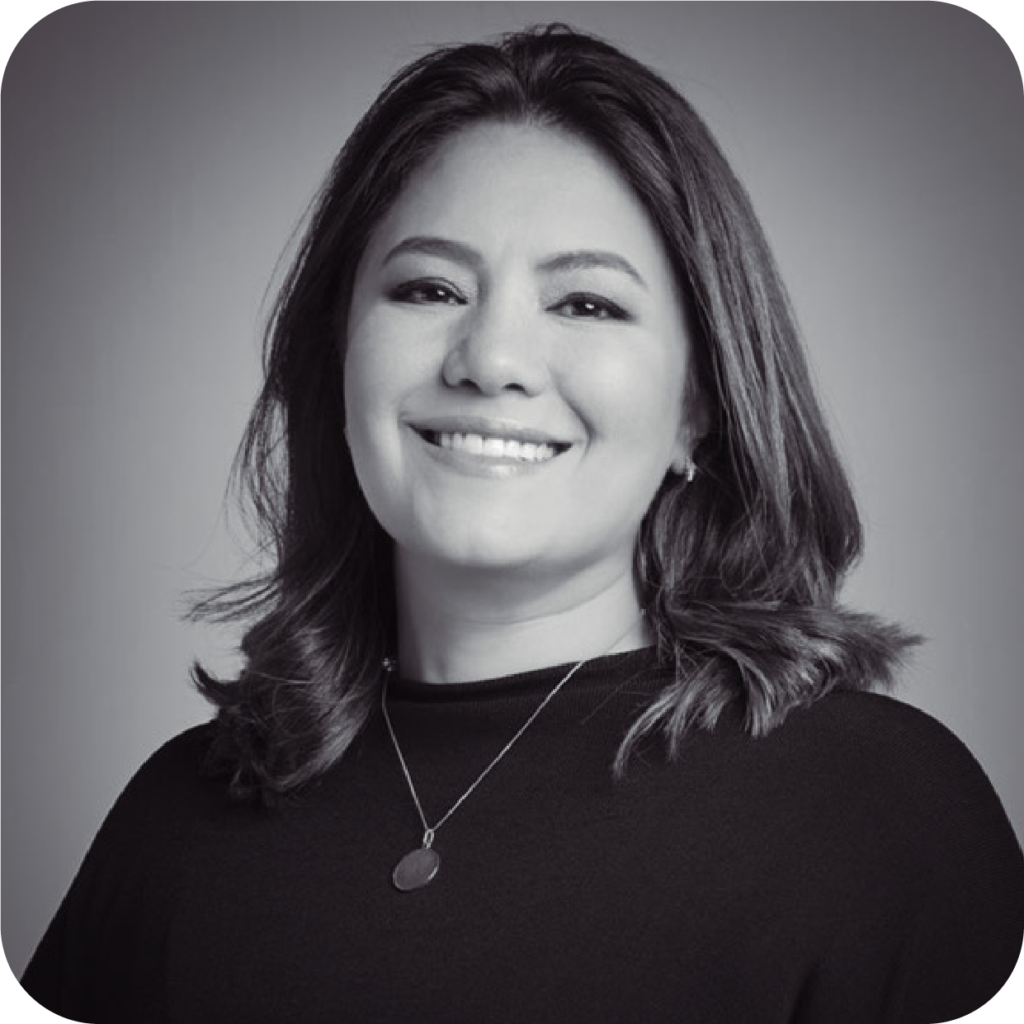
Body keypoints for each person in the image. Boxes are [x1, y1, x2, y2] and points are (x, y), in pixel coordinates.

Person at [20, 23, 1023, 1023]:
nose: (491, 358)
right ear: (338, 361)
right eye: (430, 288)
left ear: (698, 407)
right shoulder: (177, 821)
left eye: (585, 304)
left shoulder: (878, 812)